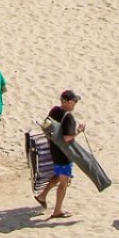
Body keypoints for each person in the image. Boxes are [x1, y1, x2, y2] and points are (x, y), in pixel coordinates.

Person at [35, 90, 82, 219]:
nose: (75, 104)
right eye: (74, 101)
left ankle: (42, 196)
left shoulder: (54, 111)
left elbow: (46, 127)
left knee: (58, 175)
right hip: (63, 153)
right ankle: (57, 211)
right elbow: (67, 138)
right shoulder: (68, 118)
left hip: (53, 148)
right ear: (68, 102)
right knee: (64, 182)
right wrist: (79, 130)